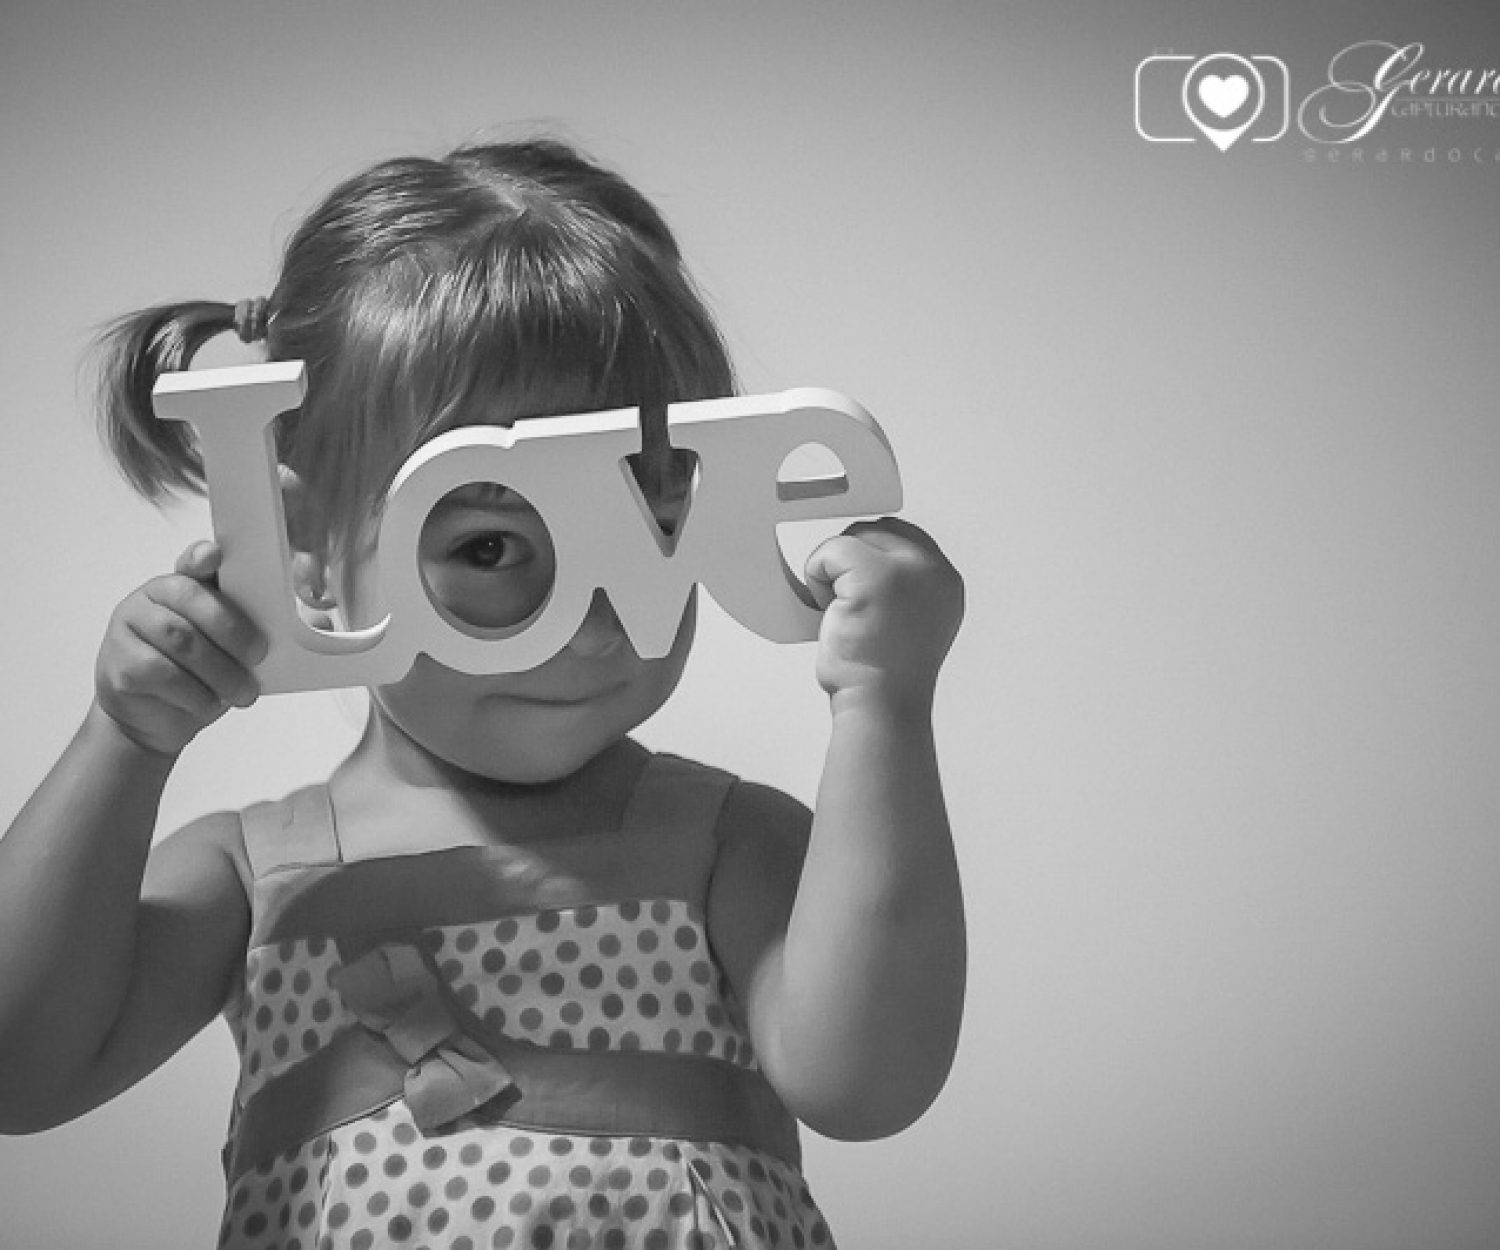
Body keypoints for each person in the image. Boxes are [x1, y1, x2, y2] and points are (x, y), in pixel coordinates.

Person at [0, 137, 966, 1250]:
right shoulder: (259, 882)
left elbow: (866, 1084)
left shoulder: (722, 846)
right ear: (303, 542)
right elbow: (21, 1071)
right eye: (491, 544)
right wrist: (123, 739)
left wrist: (884, 706)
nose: (594, 619)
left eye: (654, 526)